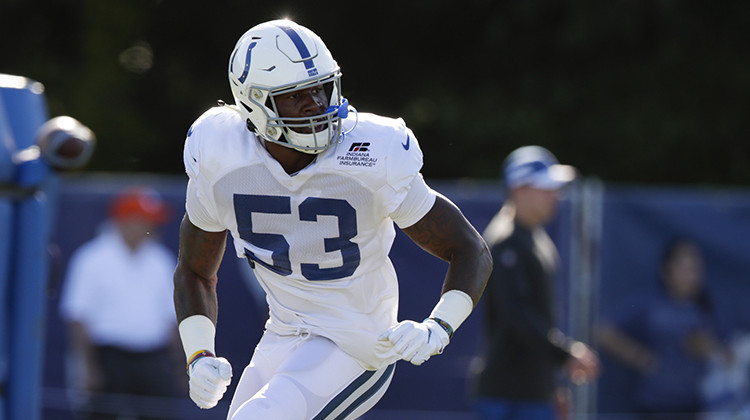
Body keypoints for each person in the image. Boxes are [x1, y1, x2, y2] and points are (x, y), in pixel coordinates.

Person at [173, 19, 493, 420]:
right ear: (253, 103)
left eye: (320, 87)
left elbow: (469, 248)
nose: (316, 103)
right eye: (295, 96)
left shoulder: (370, 153)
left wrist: (438, 327)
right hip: (283, 333)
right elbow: (195, 270)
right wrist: (199, 353)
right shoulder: (219, 154)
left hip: (356, 345)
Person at [473, 145, 600, 420]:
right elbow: (516, 316)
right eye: (545, 188)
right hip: (507, 397)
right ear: (519, 189)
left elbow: (539, 318)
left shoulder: (535, 237)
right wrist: (566, 354)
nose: (554, 196)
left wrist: (551, 386)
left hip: (534, 394)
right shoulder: (506, 241)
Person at [59, 186, 182, 420]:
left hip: (153, 358)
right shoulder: (92, 259)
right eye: (145, 220)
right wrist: (88, 367)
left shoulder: (161, 260)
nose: (151, 227)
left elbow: (171, 319)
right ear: (124, 220)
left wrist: (179, 366)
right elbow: (77, 318)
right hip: (108, 357)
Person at [596, 239, 729, 420]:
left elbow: (728, 355)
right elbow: (603, 331)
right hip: (654, 407)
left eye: (694, 269)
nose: (689, 275)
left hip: (695, 406)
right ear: (666, 270)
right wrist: (638, 356)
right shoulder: (649, 303)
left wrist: (709, 348)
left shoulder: (708, 308)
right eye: (682, 267)